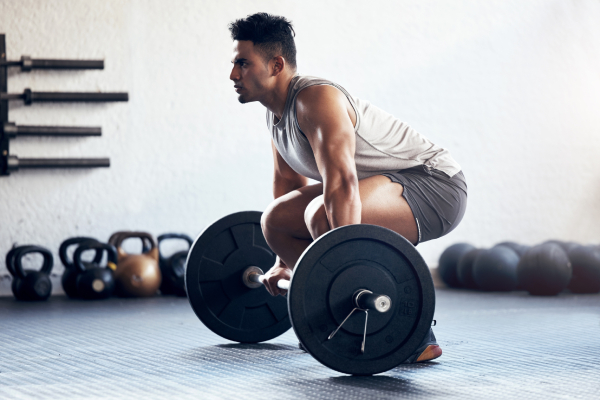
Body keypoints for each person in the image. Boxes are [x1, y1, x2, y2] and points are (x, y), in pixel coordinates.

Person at [228, 13, 467, 363]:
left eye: (243, 64)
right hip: (388, 188)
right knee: (274, 220)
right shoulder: (276, 115)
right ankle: (337, 305)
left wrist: (351, 271)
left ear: (276, 65)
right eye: (235, 64)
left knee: (323, 216)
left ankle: (411, 329)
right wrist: (282, 263)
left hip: (434, 185)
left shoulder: (315, 99)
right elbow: (288, 185)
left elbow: (340, 183)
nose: (234, 75)